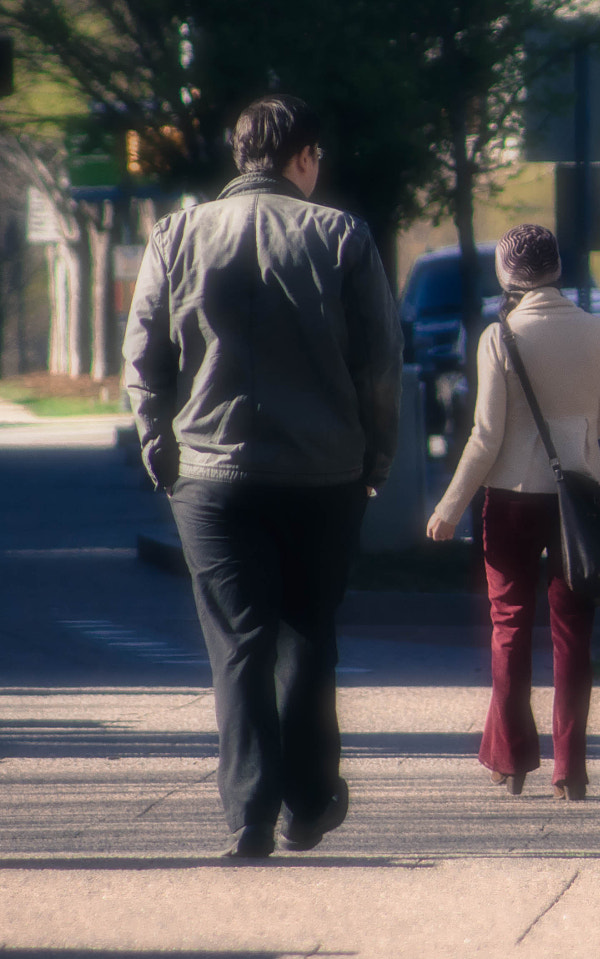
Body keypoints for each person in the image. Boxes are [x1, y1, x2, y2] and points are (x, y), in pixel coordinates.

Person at [123, 95, 401, 859]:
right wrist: (377, 456)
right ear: (303, 156)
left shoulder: (177, 235)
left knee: (237, 643)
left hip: (209, 471)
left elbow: (144, 354)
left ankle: (249, 809)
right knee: (309, 630)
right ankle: (309, 798)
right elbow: (379, 363)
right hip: (322, 469)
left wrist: (159, 448)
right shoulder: (341, 235)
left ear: (242, 154)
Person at [426, 224, 600, 801]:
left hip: (511, 499)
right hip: (581, 499)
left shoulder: (499, 337)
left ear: (507, 274)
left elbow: (484, 437)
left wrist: (450, 506)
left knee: (509, 628)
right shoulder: (598, 332)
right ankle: (570, 769)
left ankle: (512, 758)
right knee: (574, 636)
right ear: (556, 268)